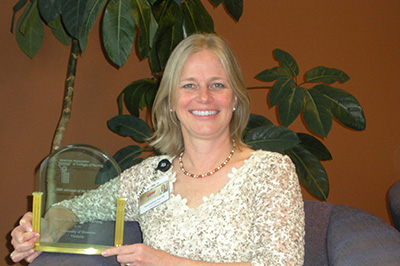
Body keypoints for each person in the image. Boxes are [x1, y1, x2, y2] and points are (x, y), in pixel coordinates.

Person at [10, 33, 305, 265]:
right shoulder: (149, 176)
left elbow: (281, 264)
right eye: (189, 86)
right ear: (170, 103)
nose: (204, 97)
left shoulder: (270, 170)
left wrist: (167, 262)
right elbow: (73, 209)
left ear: (236, 99)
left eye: (217, 85)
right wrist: (38, 230)